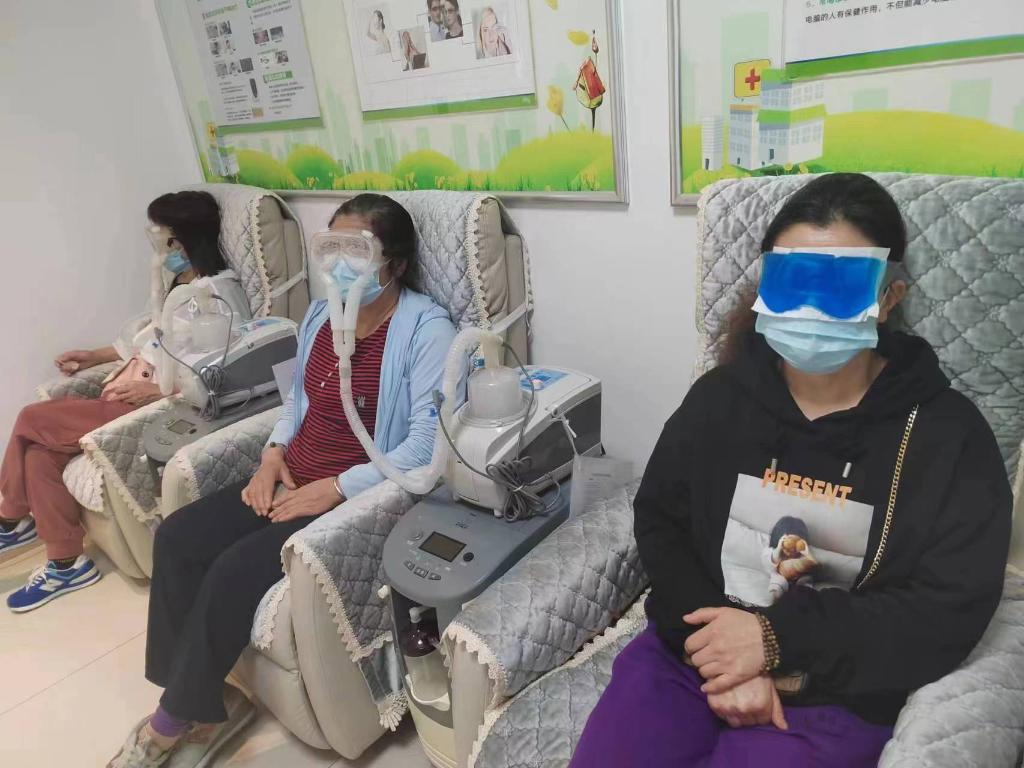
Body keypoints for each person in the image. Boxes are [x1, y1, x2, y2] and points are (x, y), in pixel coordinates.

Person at [570, 173, 1011, 768]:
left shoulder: (947, 437)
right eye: (793, 281)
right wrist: (721, 657)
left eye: (837, 287)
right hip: (692, 656)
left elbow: (947, 608)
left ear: (889, 297)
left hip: (837, 693)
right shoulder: (719, 399)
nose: (808, 306)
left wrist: (773, 643)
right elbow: (661, 521)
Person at [107, 194, 460, 768]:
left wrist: (336, 489)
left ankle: (170, 724)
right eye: (331, 248)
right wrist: (272, 454)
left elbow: (424, 448)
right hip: (291, 472)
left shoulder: (427, 330)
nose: (339, 265)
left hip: (347, 496)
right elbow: (297, 400)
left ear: (394, 263)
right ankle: (200, 696)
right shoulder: (321, 316)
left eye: (356, 251)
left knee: (229, 572)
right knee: (177, 537)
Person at [1, 191, 251, 613]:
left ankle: (10, 517)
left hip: (148, 405)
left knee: (31, 419)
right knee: (39, 455)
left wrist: (160, 392)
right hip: (127, 388)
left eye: (165, 237)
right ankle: (66, 564)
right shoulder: (178, 285)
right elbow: (150, 337)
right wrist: (94, 356)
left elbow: (226, 367)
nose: (160, 247)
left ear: (185, 238)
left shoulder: (219, 294)